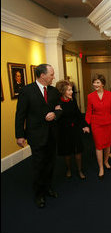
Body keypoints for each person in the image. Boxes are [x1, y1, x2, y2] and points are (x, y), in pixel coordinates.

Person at [15, 64, 61, 208]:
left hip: (52, 135)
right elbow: (20, 115)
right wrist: (19, 135)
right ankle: (39, 194)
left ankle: (48, 187)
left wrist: (55, 114)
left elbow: (60, 109)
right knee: (39, 165)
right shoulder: (26, 91)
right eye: (51, 74)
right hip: (36, 135)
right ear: (43, 76)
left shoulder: (54, 91)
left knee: (50, 163)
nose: (53, 77)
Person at [85, 74, 111, 179]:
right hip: (96, 125)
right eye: (94, 82)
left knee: (108, 144)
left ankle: (106, 161)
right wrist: (86, 124)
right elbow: (89, 112)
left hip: (108, 124)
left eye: (98, 82)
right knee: (99, 146)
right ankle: (101, 168)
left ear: (103, 84)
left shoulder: (110, 95)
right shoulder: (90, 96)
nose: (95, 84)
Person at [55, 80, 90, 180]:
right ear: (63, 91)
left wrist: (85, 125)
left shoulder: (73, 100)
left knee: (78, 151)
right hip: (64, 131)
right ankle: (69, 169)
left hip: (75, 129)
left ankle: (79, 170)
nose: (71, 92)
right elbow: (56, 119)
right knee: (67, 153)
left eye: (71, 89)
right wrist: (57, 111)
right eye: (69, 90)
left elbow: (78, 114)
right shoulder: (58, 103)